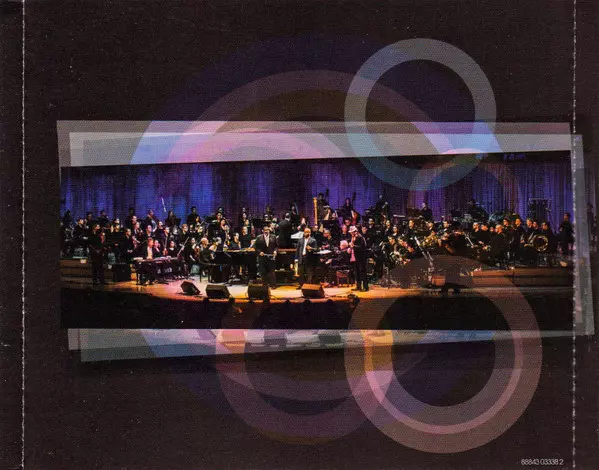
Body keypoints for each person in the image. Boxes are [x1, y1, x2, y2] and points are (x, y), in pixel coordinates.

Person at [348, 226, 368, 292]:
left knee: (362, 272)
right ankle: (358, 286)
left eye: (352, 232)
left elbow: (362, 247)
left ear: (355, 231)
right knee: (357, 272)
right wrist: (350, 248)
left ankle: (365, 287)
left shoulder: (360, 237)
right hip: (355, 257)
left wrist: (353, 246)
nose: (351, 233)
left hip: (361, 257)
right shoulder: (353, 238)